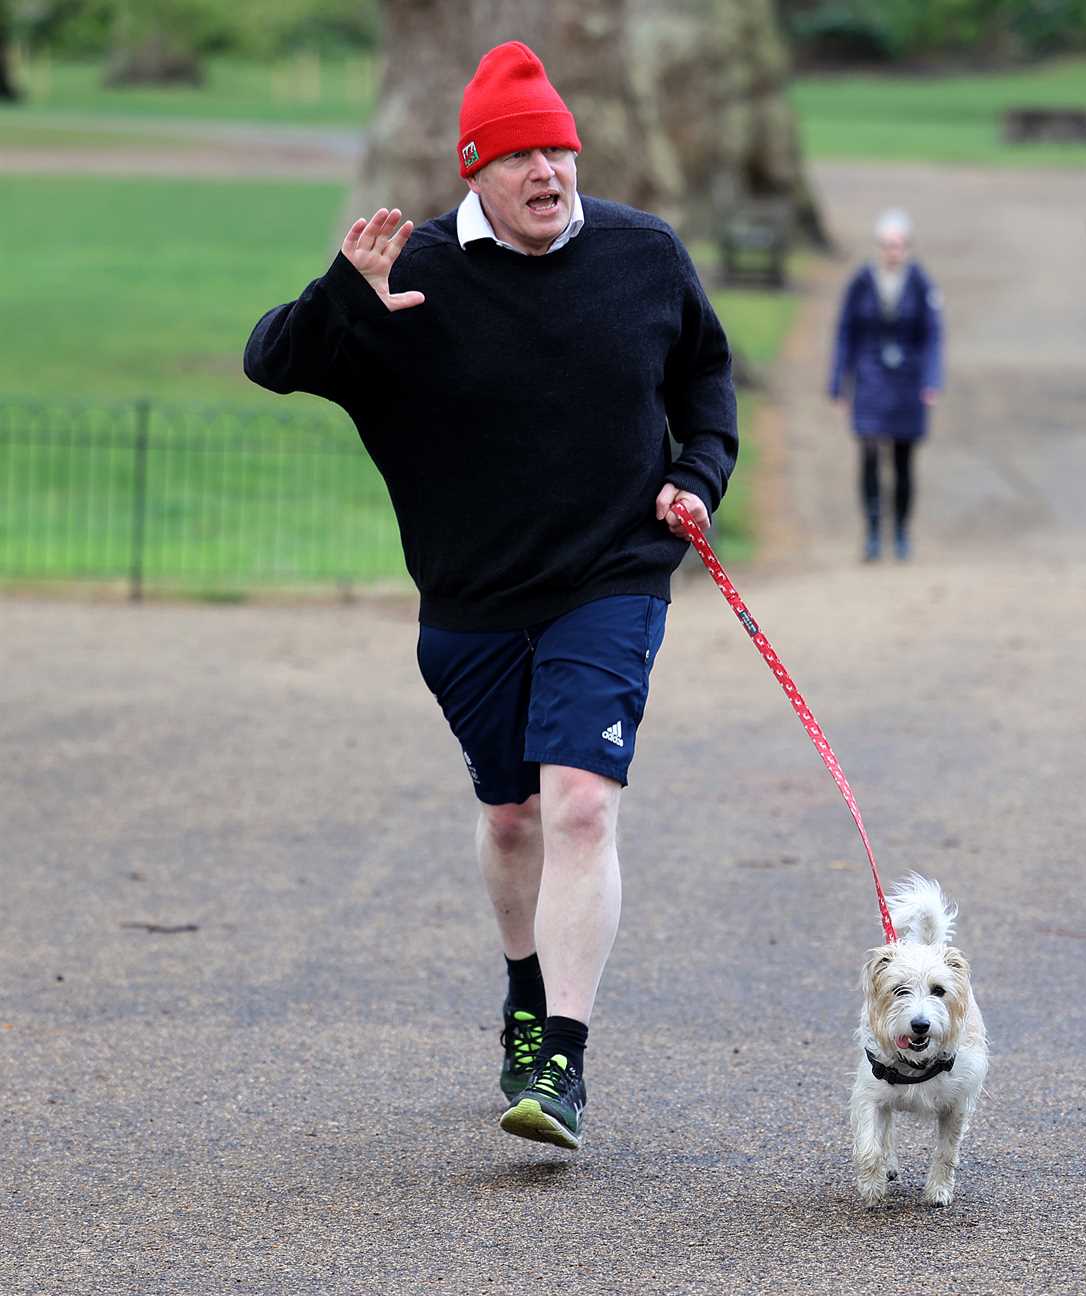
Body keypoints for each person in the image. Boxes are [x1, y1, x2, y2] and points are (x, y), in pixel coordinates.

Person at [243, 40, 737, 1151]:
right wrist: (343, 295)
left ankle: (559, 1061)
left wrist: (694, 477)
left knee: (580, 804)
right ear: (474, 171)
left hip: (610, 578)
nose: (548, 172)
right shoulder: (404, 275)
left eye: (558, 149)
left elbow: (703, 377)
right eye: (520, 158)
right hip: (467, 600)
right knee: (512, 813)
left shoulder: (642, 253)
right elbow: (270, 361)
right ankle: (523, 992)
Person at [828, 209, 943, 561]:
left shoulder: (922, 284)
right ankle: (874, 530)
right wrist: (838, 382)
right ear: (879, 246)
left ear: (907, 247)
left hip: (908, 382)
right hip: (871, 379)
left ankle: (902, 531)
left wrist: (931, 380)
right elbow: (845, 332)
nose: (893, 251)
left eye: (899, 245)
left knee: (904, 458)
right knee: (869, 454)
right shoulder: (861, 282)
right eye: (888, 244)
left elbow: (933, 336)